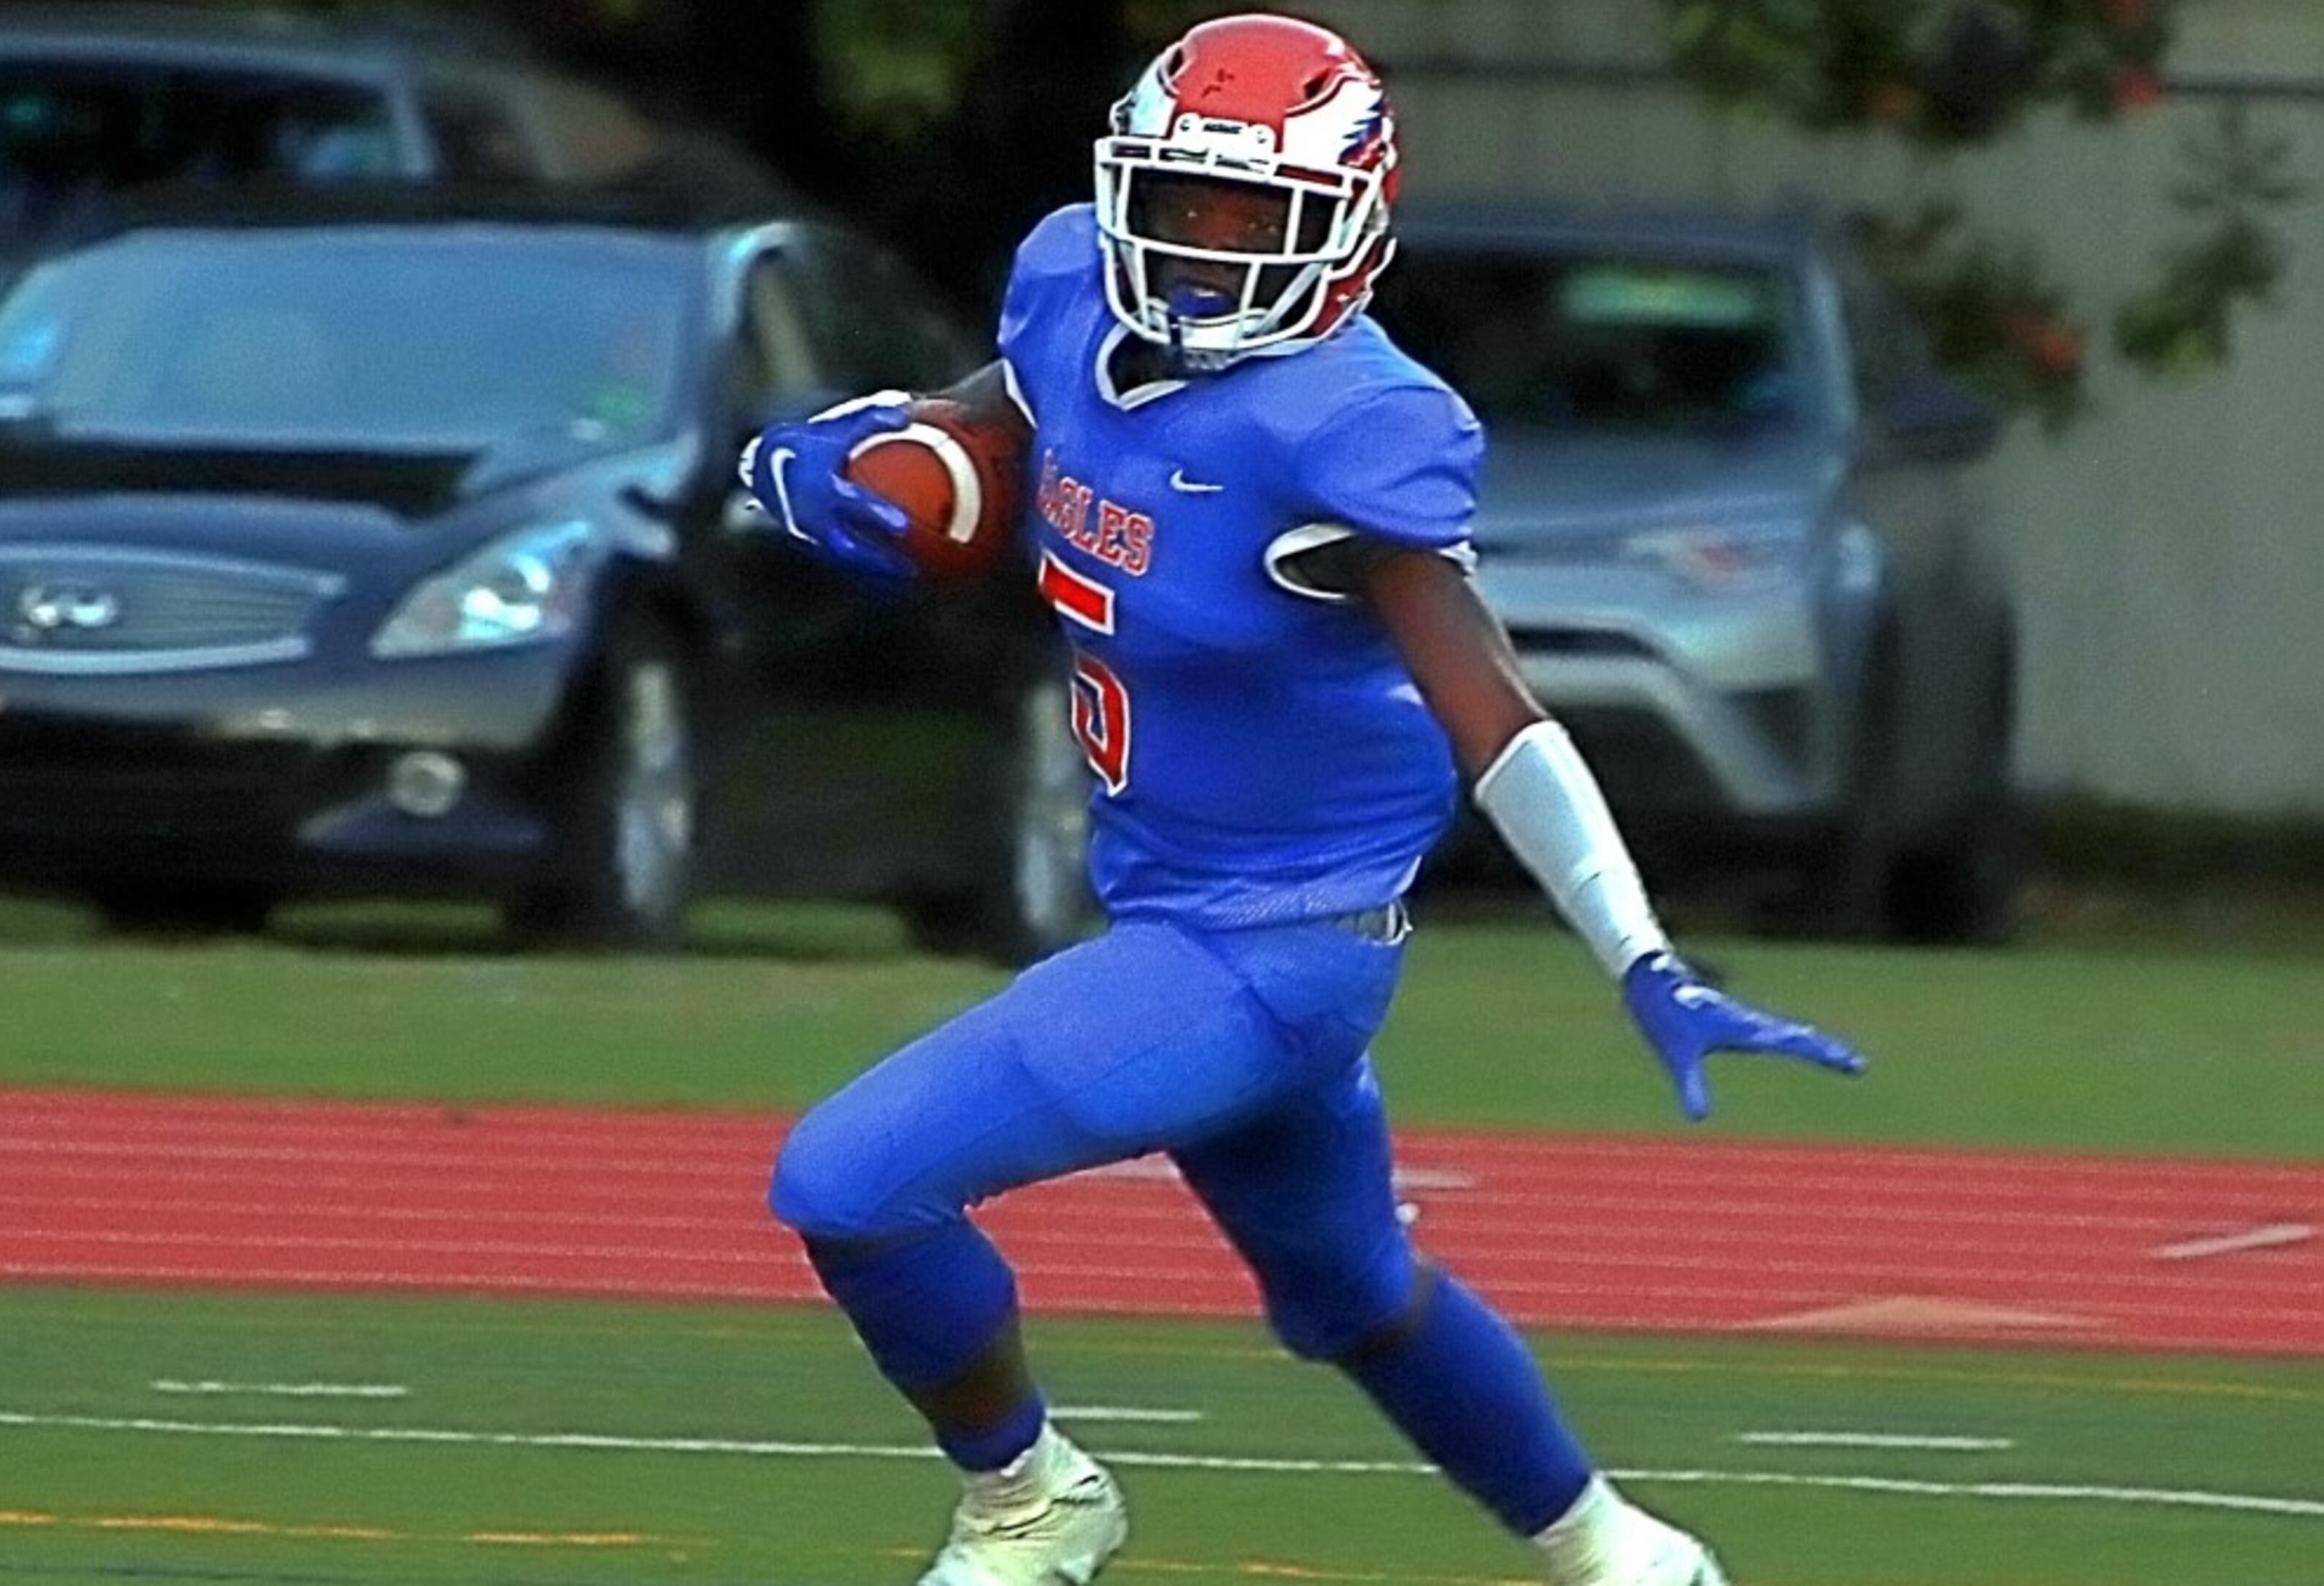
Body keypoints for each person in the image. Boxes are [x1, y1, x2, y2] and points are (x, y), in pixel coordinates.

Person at [738, 15, 1866, 1586]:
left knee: (848, 1183)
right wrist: (839, 457)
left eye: (1250, 219)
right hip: (1175, 909)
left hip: (1272, 950)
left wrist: (1643, 956)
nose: (1202, 254)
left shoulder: (1348, 426)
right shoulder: (1073, 281)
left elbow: (1498, 717)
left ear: (1346, 229)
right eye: (1179, 205)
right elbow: (996, 413)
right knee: (1351, 1296)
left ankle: (1029, 1502)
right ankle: (1621, 1551)